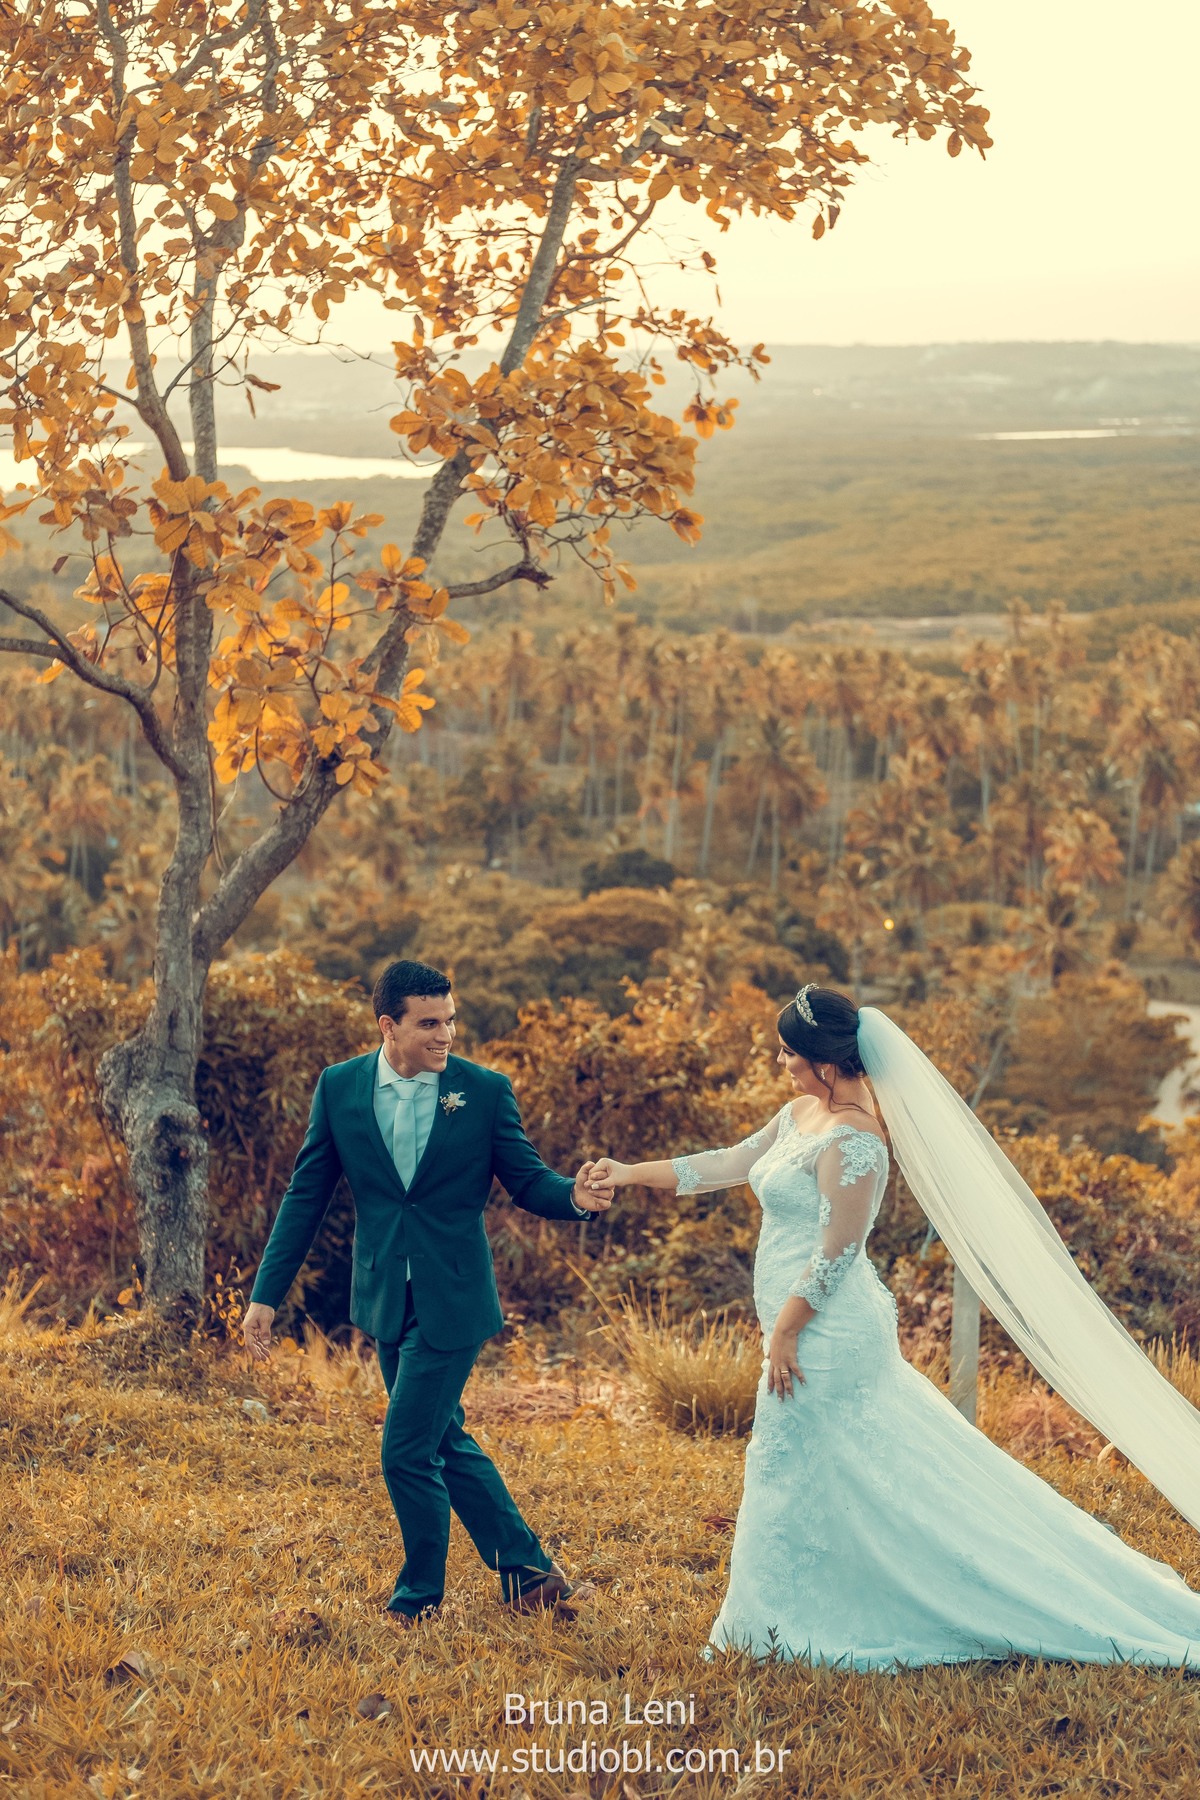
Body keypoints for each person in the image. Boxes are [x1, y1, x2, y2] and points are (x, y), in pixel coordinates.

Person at [587, 983, 1200, 1670]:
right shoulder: (799, 1115)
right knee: (828, 1468)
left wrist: (786, 1333)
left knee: (802, 1458)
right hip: (799, 1325)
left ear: (826, 1061)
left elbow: (838, 1252)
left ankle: (781, 1618)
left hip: (827, 1328)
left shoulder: (860, 1142)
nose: (782, 1064)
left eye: (791, 1053)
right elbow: (730, 1164)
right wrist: (630, 1173)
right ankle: (793, 1606)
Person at [242, 959, 611, 1627]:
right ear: (389, 1026)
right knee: (442, 1438)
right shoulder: (340, 1088)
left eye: (451, 1021)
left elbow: (528, 1182)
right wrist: (267, 1293)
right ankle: (528, 1570)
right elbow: (306, 1195)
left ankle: (417, 1600)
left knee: (406, 1447)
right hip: (386, 1294)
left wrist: (576, 1198)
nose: (446, 1035)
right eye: (429, 1024)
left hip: (456, 1296)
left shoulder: (485, 1091)